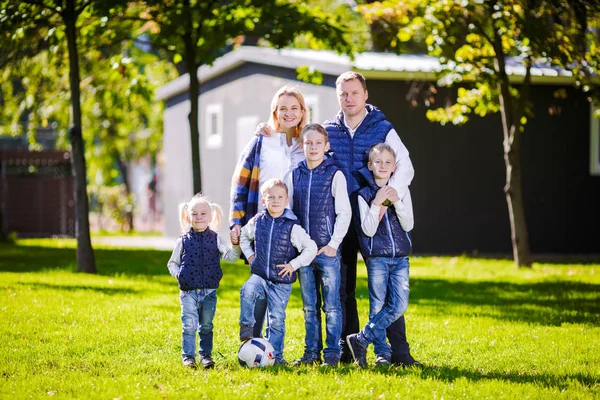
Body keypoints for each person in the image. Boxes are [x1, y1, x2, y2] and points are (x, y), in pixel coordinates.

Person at [256, 71, 419, 366]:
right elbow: (303, 144)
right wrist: (268, 129)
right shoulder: (330, 128)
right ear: (337, 96)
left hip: (375, 218)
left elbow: (405, 165)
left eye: (354, 92)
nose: (349, 98)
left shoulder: (382, 127)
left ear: (365, 94)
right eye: (343, 93)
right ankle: (347, 350)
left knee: (387, 288)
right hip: (337, 223)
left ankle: (400, 353)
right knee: (343, 289)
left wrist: (388, 194)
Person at [229, 85, 308, 338]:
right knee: (260, 280)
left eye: (294, 108)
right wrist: (235, 221)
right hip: (263, 222)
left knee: (285, 285)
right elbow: (239, 182)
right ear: (274, 111)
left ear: (302, 111)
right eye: (283, 108)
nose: (288, 113)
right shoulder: (262, 140)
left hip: (294, 226)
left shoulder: (305, 143)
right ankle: (252, 340)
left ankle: (297, 347)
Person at [285, 123, 351, 367]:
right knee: (309, 307)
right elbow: (288, 212)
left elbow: (344, 213)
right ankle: (311, 354)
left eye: (318, 143)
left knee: (331, 307)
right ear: (302, 146)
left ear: (326, 146)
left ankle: (332, 355)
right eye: (308, 143)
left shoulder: (335, 174)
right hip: (304, 254)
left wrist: (333, 244)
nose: (313, 147)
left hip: (327, 252)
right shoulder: (294, 175)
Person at [345, 144, 414, 367]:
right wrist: (376, 203)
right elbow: (368, 230)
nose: (383, 166)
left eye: (387, 162)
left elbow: (409, 223)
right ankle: (382, 353)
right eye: (378, 162)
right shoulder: (362, 195)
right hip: (377, 259)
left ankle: (361, 339)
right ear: (370, 165)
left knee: (399, 305)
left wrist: (395, 201)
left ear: (394, 167)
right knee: (377, 306)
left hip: (400, 258)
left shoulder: (402, 192)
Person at [238, 178, 317, 365]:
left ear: (286, 200)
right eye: (271, 197)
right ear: (263, 201)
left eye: (280, 197)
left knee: (277, 320)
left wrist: (293, 265)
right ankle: (246, 327)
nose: (275, 200)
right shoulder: (257, 221)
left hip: (281, 281)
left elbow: (311, 248)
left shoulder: (292, 226)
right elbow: (243, 235)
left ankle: (276, 357)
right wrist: (249, 256)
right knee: (247, 290)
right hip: (260, 275)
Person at [167, 193, 240, 369]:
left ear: (211, 216)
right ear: (188, 216)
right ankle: (188, 357)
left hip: (209, 292)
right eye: (194, 214)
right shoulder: (183, 241)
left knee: (206, 325)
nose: (199, 217)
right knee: (189, 325)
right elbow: (172, 263)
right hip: (188, 292)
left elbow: (230, 257)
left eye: (203, 214)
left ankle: (205, 356)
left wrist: (236, 245)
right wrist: (179, 275)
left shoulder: (215, 239)